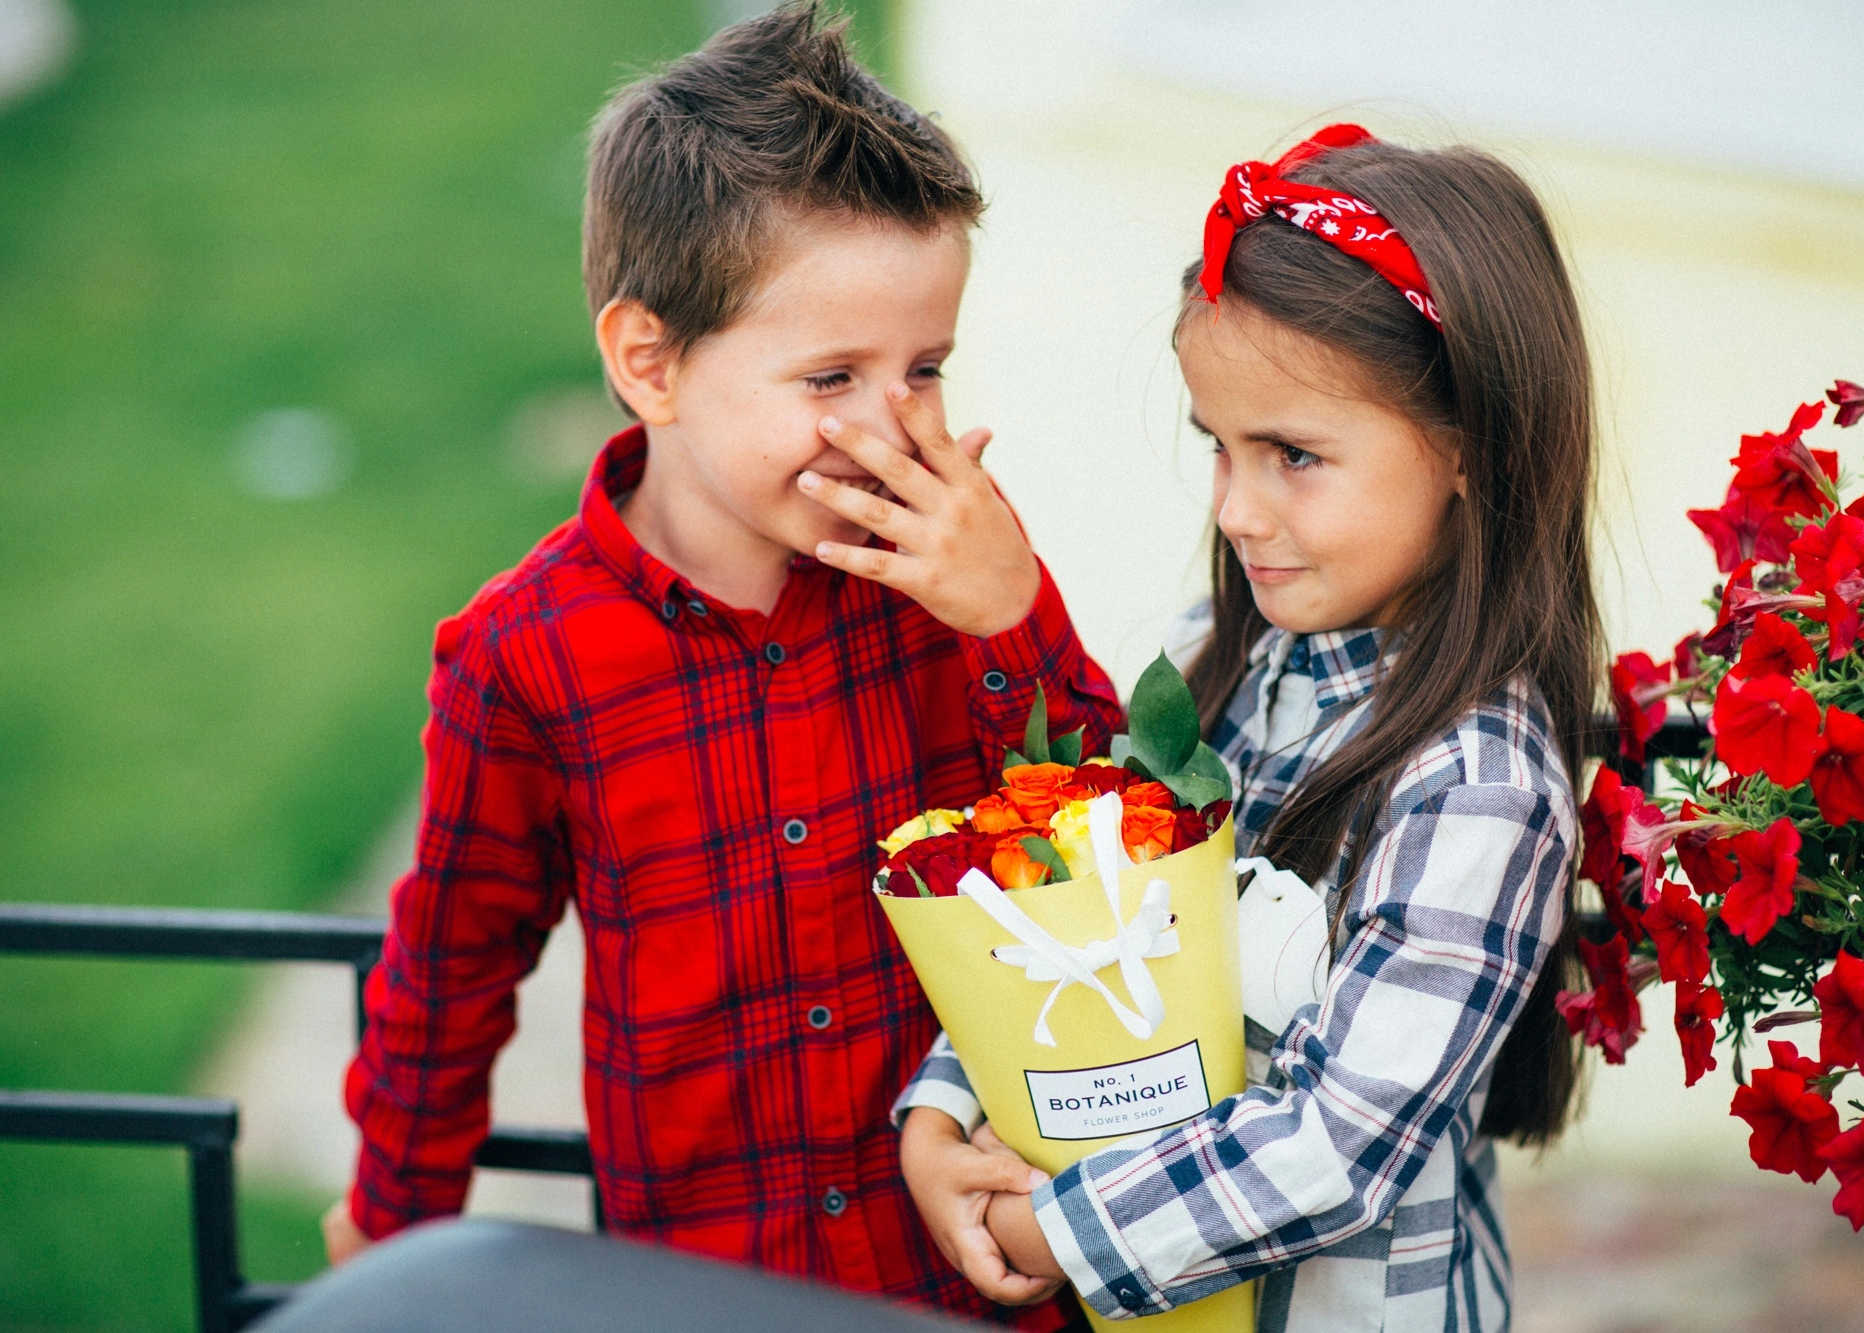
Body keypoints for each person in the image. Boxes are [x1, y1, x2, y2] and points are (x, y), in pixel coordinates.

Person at [322, 7, 1121, 1329]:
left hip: (971, 1269)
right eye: (830, 375)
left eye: (924, 368)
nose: (890, 426)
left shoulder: (957, 571)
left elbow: (1114, 856)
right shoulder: (526, 657)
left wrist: (1010, 617)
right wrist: (400, 1226)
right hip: (706, 1285)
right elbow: (451, 964)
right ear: (652, 364)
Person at [894, 125, 1603, 1332]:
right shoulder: (1207, 664)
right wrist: (942, 1114)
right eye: (1216, 447)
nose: (1233, 507)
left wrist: (1043, 1228)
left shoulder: (1478, 783)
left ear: (1471, 448)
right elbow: (1070, 907)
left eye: (1292, 454)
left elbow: (1334, 1150)